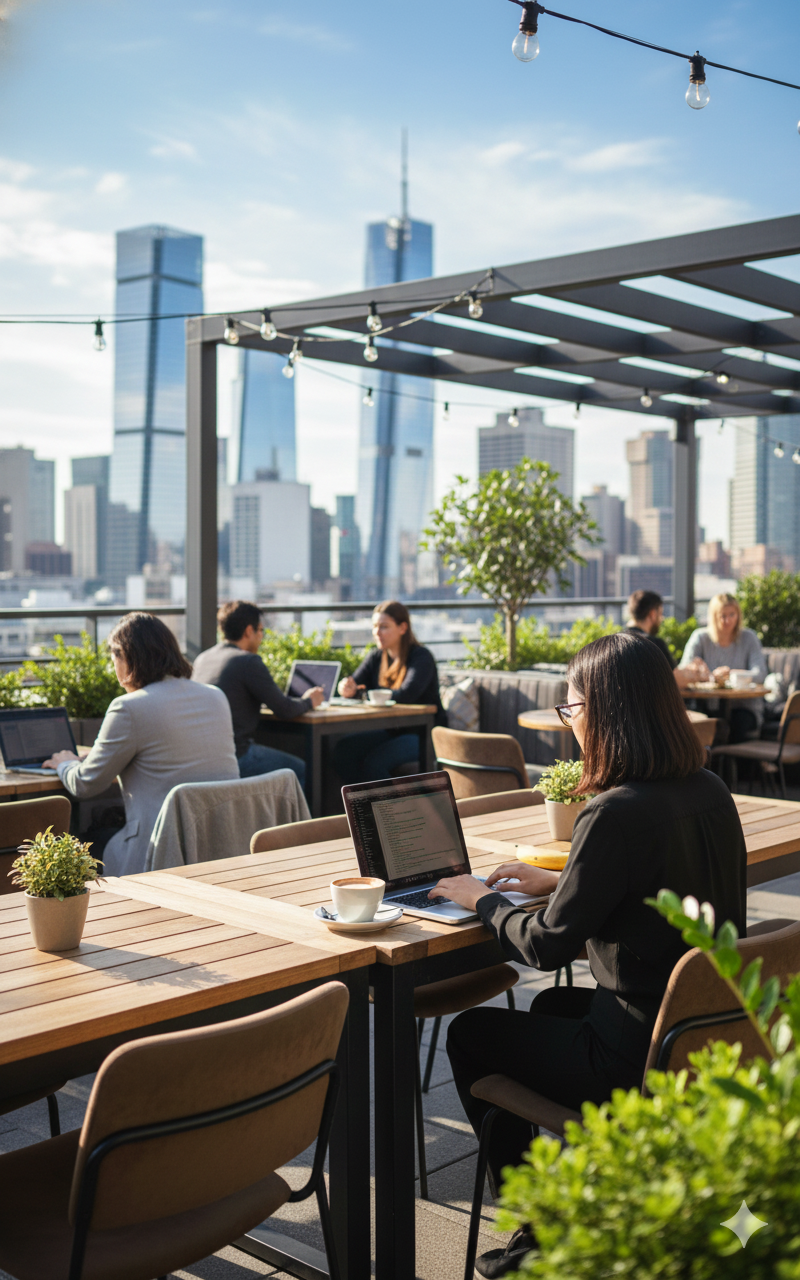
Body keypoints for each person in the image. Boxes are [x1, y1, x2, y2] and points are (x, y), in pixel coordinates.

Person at [428, 632, 746, 1277]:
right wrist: (565, 880)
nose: (569, 724)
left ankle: (536, 1223)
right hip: (701, 1035)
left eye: (571, 709)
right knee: (550, 1007)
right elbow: (654, 881)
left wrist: (478, 901)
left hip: (634, 1059)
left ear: (606, 713)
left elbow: (545, 946)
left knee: (472, 1033)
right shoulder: (711, 790)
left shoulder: (613, 814)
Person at [44, 612, 239, 877]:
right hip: (219, 846)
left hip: (158, 850)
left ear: (125, 658)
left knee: (84, 842)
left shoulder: (129, 707)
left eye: (113, 659)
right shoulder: (216, 697)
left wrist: (65, 763)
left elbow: (86, 783)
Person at [192, 600, 324, 787]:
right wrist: (309, 701)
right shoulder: (247, 661)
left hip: (201, 758)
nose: (262, 637)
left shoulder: (203, 658)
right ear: (248, 631)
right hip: (236, 755)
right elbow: (284, 709)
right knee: (299, 771)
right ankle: (301, 818)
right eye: (261, 630)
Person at [333, 600, 446, 783]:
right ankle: (361, 806)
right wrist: (345, 687)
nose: (377, 632)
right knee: (344, 749)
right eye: (375, 626)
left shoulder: (421, 657)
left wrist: (360, 694)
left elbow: (407, 695)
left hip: (425, 734)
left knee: (375, 763)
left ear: (403, 628)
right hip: (393, 731)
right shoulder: (377, 656)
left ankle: (389, 810)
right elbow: (354, 684)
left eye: (384, 627)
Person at [679, 592, 767, 743]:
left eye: (732, 614)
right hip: (706, 704)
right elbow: (683, 671)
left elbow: (760, 673)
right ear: (713, 617)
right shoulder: (700, 637)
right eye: (722, 615)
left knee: (735, 726)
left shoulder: (749, 638)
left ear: (738, 615)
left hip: (743, 707)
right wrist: (706, 675)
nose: (727, 620)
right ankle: (708, 765)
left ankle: (730, 765)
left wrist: (731, 675)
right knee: (696, 724)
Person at [625, 588, 705, 689]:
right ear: (652, 614)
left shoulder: (617, 642)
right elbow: (675, 680)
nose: (662, 619)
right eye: (661, 614)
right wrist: (696, 673)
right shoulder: (654, 644)